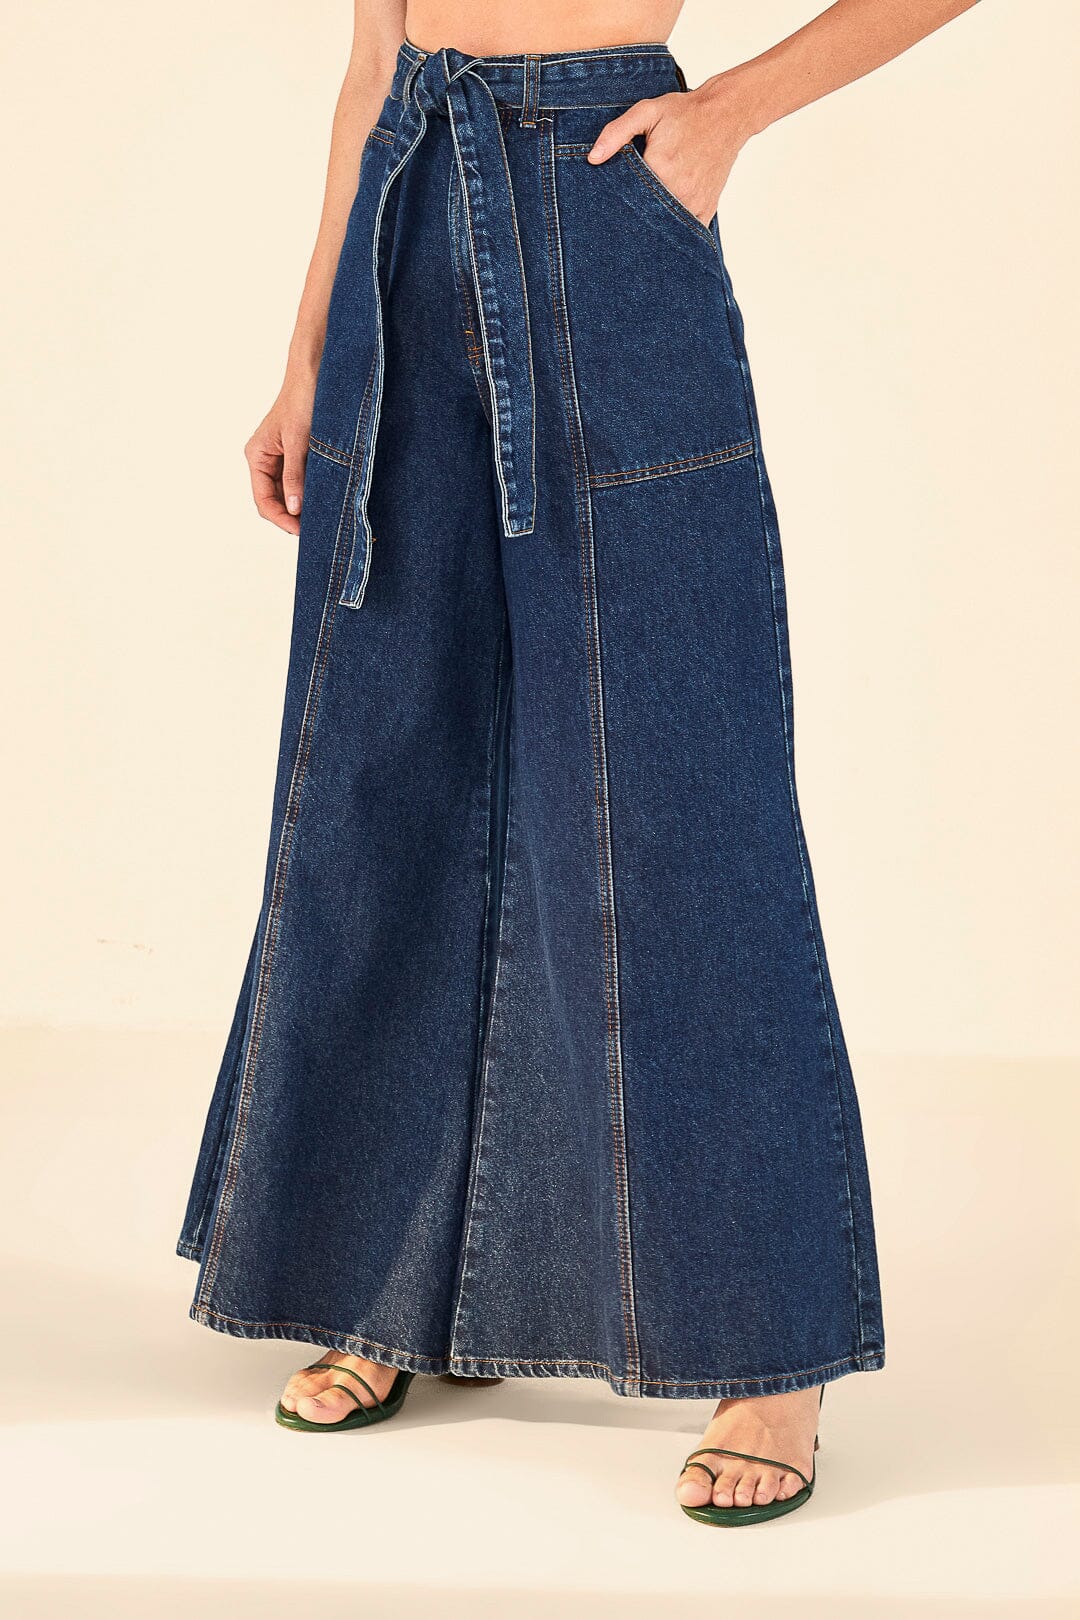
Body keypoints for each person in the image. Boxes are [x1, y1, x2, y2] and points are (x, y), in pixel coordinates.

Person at [177, 0, 977, 1526]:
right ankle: (393, 1284)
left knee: (674, 789)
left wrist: (729, 110)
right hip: (406, 204)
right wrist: (308, 352)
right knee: (389, 774)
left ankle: (767, 1352)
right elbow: (371, 63)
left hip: (604, 193)